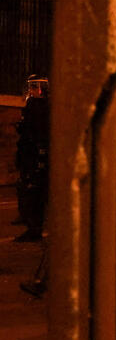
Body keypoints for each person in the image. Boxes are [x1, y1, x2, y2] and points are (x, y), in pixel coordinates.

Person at [15, 74, 49, 243]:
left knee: (32, 190)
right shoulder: (41, 106)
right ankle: (31, 222)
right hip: (31, 153)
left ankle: (34, 226)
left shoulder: (36, 106)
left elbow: (32, 131)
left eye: (34, 87)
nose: (31, 90)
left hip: (33, 154)